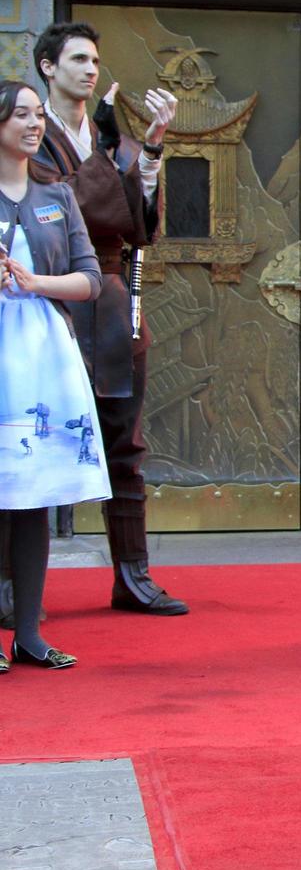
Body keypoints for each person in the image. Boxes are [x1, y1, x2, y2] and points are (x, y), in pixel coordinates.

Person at [5, 21, 186, 620]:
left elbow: (141, 226)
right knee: (24, 441)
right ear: (47, 66)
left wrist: (150, 147)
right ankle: (12, 586)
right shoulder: (32, 140)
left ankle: (132, 574)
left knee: (124, 441)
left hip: (111, 297)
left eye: (95, 59)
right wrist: (113, 152)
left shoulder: (112, 139)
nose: (90, 69)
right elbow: (65, 207)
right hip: (44, 301)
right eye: (77, 59)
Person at [0, 79, 110, 671]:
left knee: (32, 495)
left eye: (38, 114)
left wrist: (36, 283)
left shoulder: (57, 194)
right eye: (20, 114)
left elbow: (90, 278)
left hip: (41, 354)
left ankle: (28, 633)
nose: (33, 123)